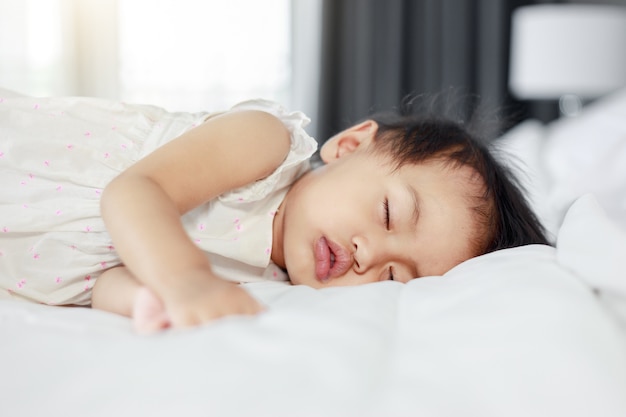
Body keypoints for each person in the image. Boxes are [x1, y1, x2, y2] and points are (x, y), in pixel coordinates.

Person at [0, 90, 548, 333]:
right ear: (349, 146)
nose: (369, 256)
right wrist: (187, 281)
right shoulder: (264, 146)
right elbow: (133, 194)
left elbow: (101, 282)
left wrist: (150, 302)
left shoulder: (266, 281)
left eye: (392, 276)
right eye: (387, 213)